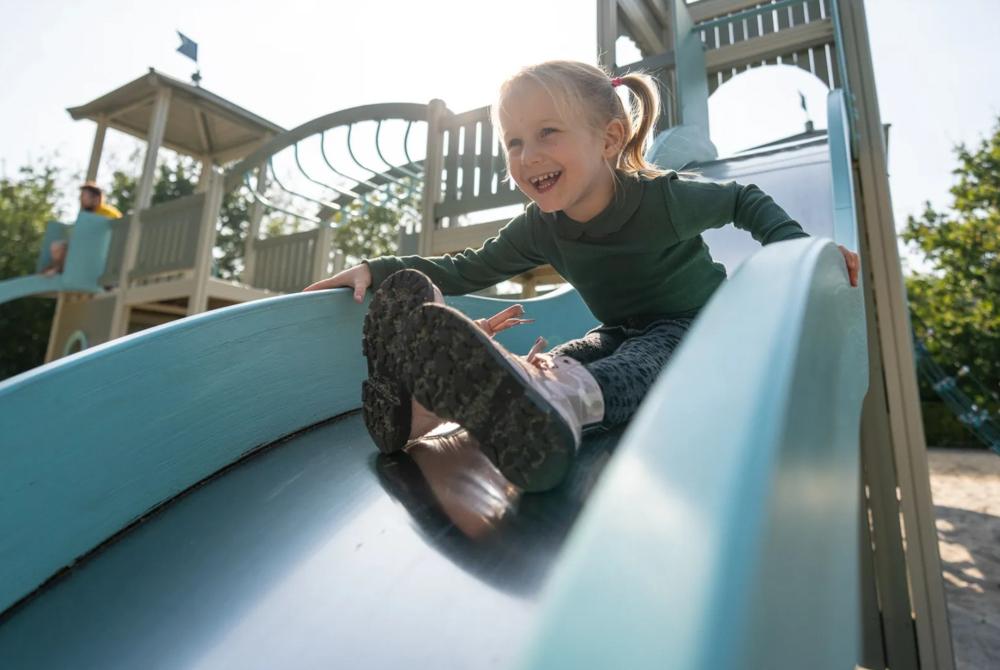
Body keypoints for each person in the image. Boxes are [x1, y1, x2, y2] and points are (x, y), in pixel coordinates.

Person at [305, 60, 861, 492]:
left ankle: (562, 407)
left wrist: (798, 252)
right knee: (568, 354)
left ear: (610, 140)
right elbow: (467, 267)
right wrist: (377, 269)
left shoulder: (662, 199)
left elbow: (743, 198)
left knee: (640, 365)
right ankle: (431, 408)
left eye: (548, 132)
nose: (527, 156)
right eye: (514, 142)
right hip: (619, 327)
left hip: (697, 328)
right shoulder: (540, 227)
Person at [42, 181, 123, 276]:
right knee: (57, 247)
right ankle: (57, 270)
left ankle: (59, 270)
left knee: (60, 248)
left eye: (84, 196)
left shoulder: (107, 213)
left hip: (102, 254)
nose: (81, 199)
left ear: (96, 198)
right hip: (89, 250)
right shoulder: (89, 214)